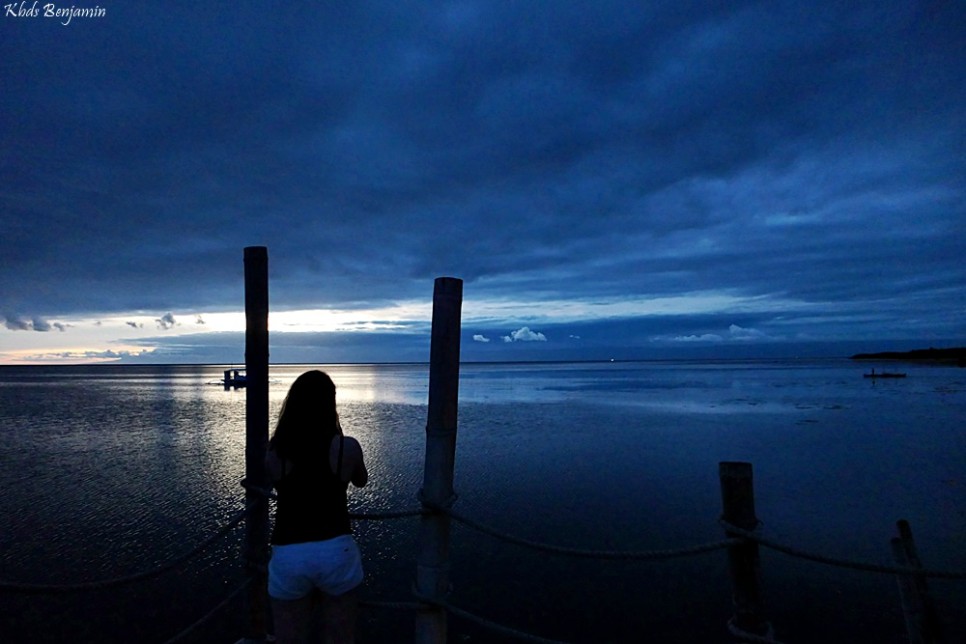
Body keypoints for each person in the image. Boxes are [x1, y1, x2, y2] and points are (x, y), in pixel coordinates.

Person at [265, 370, 369, 644]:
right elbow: (361, 480)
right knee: (340, 638)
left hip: (289, 552)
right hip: (336, 549)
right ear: (330, 403)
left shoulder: (276, 450)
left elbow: (267, 483)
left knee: (289, 637)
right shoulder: (346, 448)